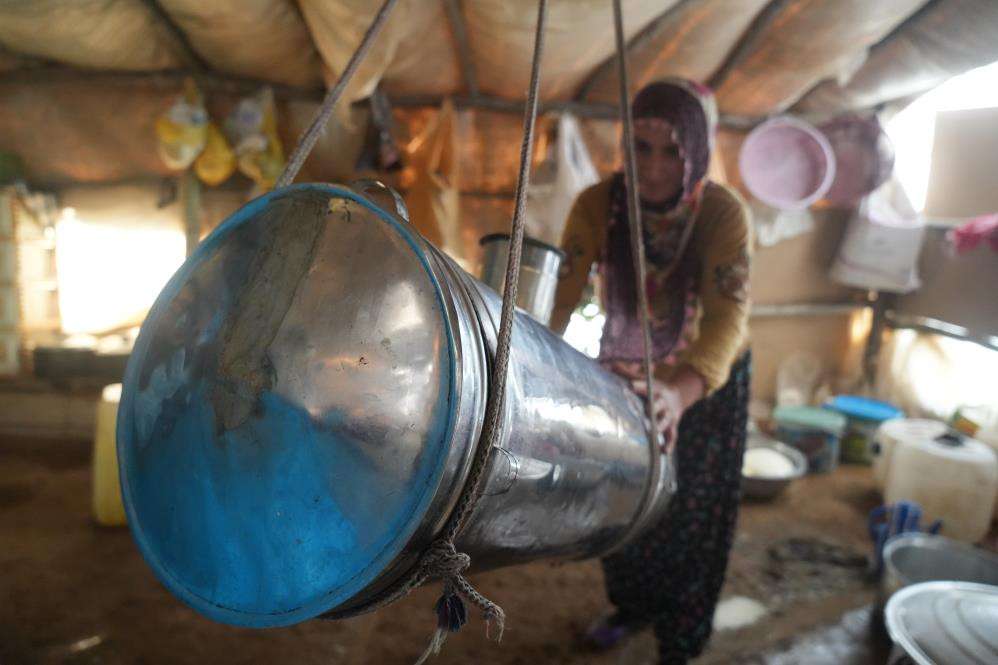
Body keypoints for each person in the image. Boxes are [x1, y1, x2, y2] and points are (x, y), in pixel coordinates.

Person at [549, 78, 752, 665]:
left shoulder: (720, 214)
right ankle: (630, 607)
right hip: (627, 377)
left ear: (699, 150)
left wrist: (680, 395)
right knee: (622, 503)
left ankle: (679, 646)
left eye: (672, 151)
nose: (654, 168)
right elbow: (560, 298)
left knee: (693, 520)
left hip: (704, 386)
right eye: (640, 148)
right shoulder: (597, 206)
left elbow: (726, 318)